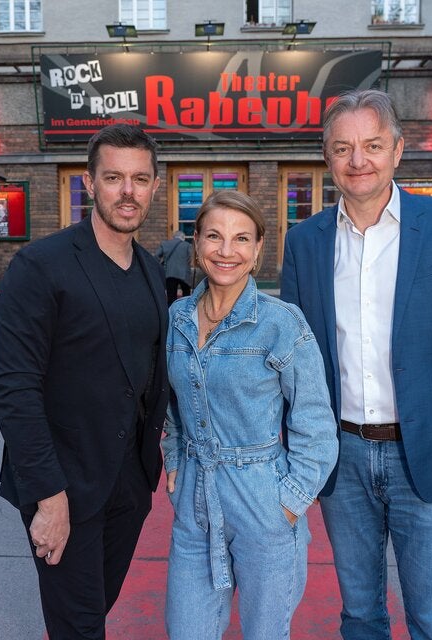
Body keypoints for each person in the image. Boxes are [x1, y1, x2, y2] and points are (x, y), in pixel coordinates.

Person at [280, 89, 432, 640]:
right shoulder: (305, 242)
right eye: (343, 148)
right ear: (327, 158)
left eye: (373, 145)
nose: (359, 161)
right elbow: (293, 359)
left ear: (398, 151)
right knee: (360, 616)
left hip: (426, 456)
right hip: (343, 457)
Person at [0, 123, 167, 639]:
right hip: (64, 486)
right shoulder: (39, 267)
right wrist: (48, 497)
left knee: (95, 609)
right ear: (89, 184)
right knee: (80, 626)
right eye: (114, 177)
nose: (127, 191)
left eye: (139, 178)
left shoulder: (153, 273)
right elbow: (14, 390)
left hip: (129, 484)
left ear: (155, 186)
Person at [162, 190, 338, 639]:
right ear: (196, 244)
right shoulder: (176, 318)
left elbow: (316, 421)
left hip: (263, 498)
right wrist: (176, 460)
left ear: (258, 249)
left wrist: (290, 502)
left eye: (241, 239)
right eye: (214, 236)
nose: (227, 251)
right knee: (187, 631)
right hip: (194, 504)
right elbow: (169, 402)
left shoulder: (282, 323)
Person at [155, 230, 194, 305]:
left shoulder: (165, 244)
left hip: (169, 273)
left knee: (171, 297)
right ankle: (185, 312)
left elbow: (156, 256)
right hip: (184, 274)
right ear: (183, 237)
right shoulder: (187, 245)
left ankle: (171, 313)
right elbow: (191, 258)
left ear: (173, 237)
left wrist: (160, 266)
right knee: (186, 295)